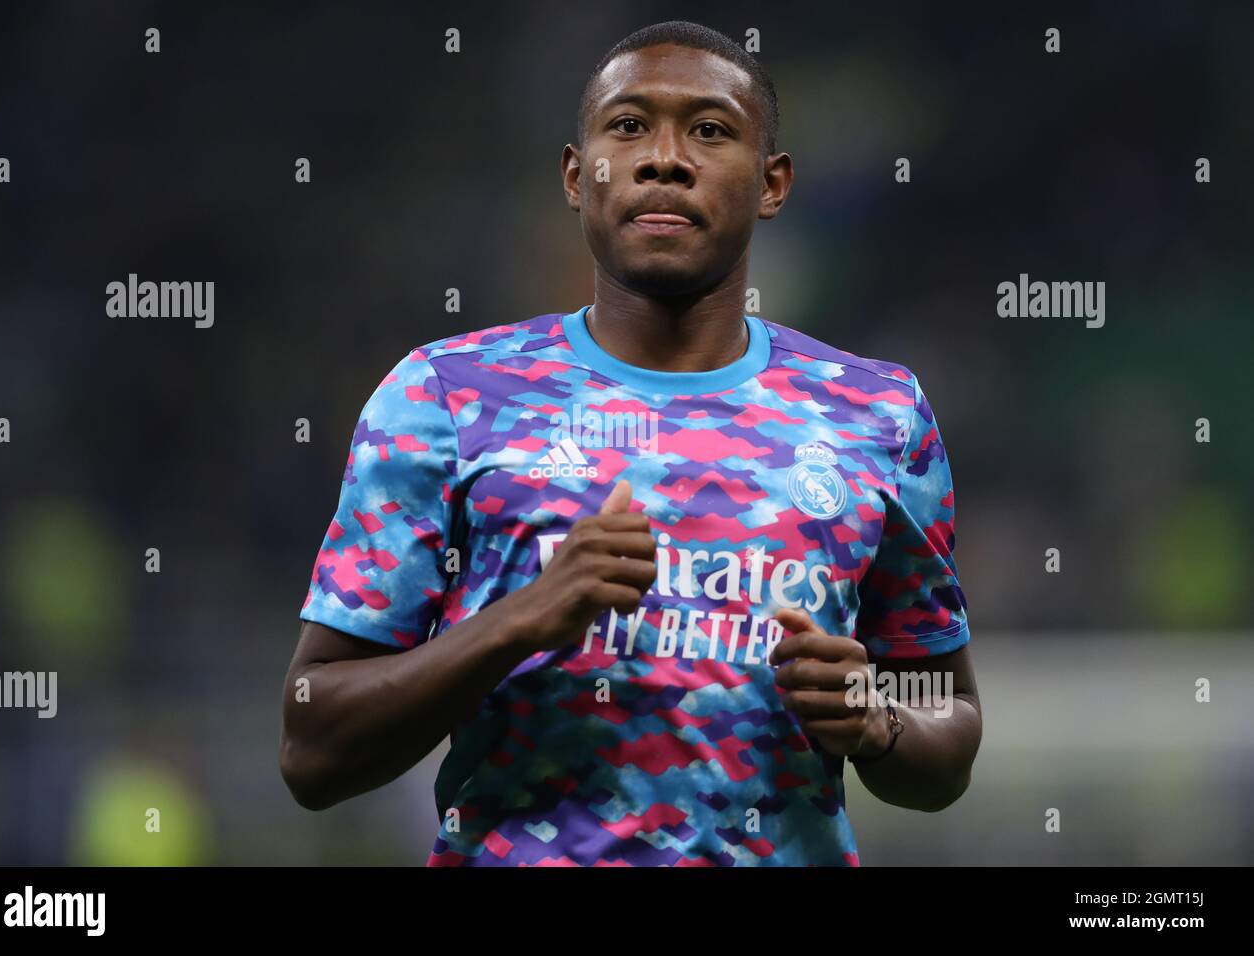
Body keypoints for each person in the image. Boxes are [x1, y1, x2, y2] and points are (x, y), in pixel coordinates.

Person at [281, 19, 982, 866]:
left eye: (711, 131)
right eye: (627, 126)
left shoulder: (878, 415)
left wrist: (878, 721)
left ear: (773, 183)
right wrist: (523, 620)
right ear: (578, 178)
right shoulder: (444, 399)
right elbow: (313, 749)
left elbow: (946, 735)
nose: (664, 158)